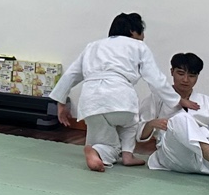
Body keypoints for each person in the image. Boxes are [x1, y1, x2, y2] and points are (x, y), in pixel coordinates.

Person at [50, 11, 196, 172]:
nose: (143, 37)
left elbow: (71, 74)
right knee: (131, 122)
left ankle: (96, 151)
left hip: (90, 102)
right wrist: (177, 99)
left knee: (103, 139)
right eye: (142, 32)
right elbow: (155, 78)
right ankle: (127, 155)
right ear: (133, 31)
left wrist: (61, 102)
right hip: (119, 98)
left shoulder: (92, 46)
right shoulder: (138, 46)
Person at [137, 52, 209, 181]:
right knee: (180, 119)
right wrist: (151, 124)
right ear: (172, 72)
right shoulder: (156, 98)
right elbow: (140, 135)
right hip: (176, 158)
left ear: (197, 77)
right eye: (181, 74)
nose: (185, 80)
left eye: (192, 75)